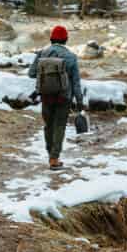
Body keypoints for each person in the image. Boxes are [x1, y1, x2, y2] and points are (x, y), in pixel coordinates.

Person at [28, 25, 83, 169]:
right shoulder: (71, 57)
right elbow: (76, 82)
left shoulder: (42, 53)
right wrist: (80, 101)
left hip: (46, 96)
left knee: (48, 126)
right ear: (66, 39)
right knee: (59, 126)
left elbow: (31, 73)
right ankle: (54, 158)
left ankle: (50, 154)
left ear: (51, 39)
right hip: (64, 97)